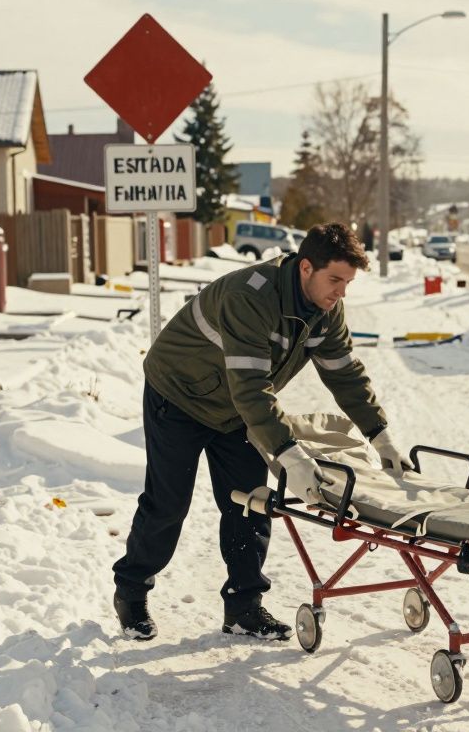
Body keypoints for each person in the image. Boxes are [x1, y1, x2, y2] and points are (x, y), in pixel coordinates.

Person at [112, 223, 411, 642]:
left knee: (251, 504)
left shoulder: (326, 309)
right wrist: (289, 453)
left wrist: (380, 436)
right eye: (335, 279)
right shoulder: (249, 297)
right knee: (168, 502)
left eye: (348, 282)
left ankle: (243, 607)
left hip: (235, 410)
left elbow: (344, 374)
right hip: (179, 395)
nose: (341, 291)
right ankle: (131, 594)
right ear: (306, 267)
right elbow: (252, 387)